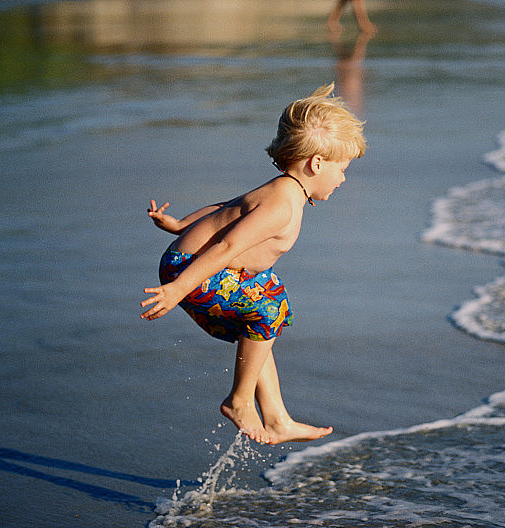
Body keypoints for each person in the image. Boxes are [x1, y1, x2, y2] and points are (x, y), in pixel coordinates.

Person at [140, 83, 366, 445]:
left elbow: (226, 209)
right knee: (271, 306)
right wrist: (178, 289)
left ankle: (276, 418)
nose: (343, 178)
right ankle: (240, 400)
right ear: (317, 163)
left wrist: (181, 224)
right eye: (342, 169)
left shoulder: (283, 189)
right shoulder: (282, 205)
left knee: (264, 306)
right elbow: (228, 244)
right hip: (193, 271)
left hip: (192, 265)